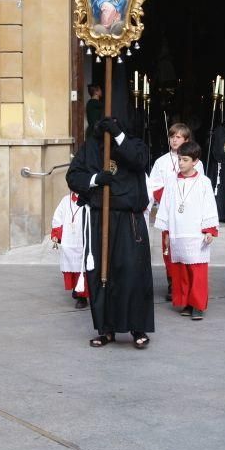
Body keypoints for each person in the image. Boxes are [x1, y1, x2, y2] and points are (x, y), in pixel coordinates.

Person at [66, 116, 154, 349]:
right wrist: (95, 179)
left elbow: (138, 161)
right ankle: (106, 330)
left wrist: (118, 135)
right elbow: (73, 176)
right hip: (100, 217)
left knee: (131, 271)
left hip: (128, 219)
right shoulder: (91, 148)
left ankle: (138, 328)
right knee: (102, 274)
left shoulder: (133, 145)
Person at [154, 141, 218, 320]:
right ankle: (187, 303)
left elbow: (209, 206)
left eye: (185, 159)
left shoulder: (204, 182)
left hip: (196, 233)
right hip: (177, 233)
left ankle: (198, 305)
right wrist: (166, 233)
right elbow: (166, 207)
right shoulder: (172, 182)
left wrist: (209, 230)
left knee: (197, 271)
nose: (181, 163)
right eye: (179, 159)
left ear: (195, 161)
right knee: (181, 271)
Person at [149, 123, 205, 301]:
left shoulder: (198, 163)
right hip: (170, 212)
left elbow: (200, 187)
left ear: (187, 140)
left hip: (190, 215)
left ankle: (189, 285)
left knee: (190, 252)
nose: (174, 139)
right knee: (169, 250)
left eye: (179, 137)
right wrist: (169, 195)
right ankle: (172, 282)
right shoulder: (161, 161)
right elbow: (153, 185)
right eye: (172, 136)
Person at [51, 190, 89, 309]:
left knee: (83, 270)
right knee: (72, 270)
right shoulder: (65, 200)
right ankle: (76, 291)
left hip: (83, 240)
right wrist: (57, 233)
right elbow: (58, 217)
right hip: (69, 240)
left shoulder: (88, 200)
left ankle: (82, 296)